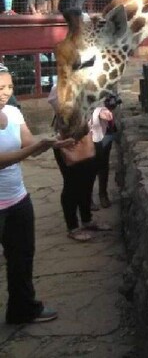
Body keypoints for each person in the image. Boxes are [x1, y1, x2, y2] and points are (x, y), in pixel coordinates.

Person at [0, 62, 68, 324]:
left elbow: (29, 144)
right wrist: (35, 147)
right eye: (0, 88)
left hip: (18, 199)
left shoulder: (14, 114)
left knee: (22, 258)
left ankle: (22, 308)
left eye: (9, 87)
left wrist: (56, 144)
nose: (5, 92)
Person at [48, 86, 111, 241]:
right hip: (69, 141)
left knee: (88, 181)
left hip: (91, 138)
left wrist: (100, 112)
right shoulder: (61, 87)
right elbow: (65, 114)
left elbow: (97, 105)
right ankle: (73, 227)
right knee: (72, 184)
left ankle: (87, 219)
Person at [90, 94, 121, 209]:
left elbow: (113, 101)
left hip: (104, 130)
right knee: (89, 165)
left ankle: (103, 194)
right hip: (87, 130)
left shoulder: (104, 85)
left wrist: (108, 106)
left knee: (103, 164)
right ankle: (88, 198)